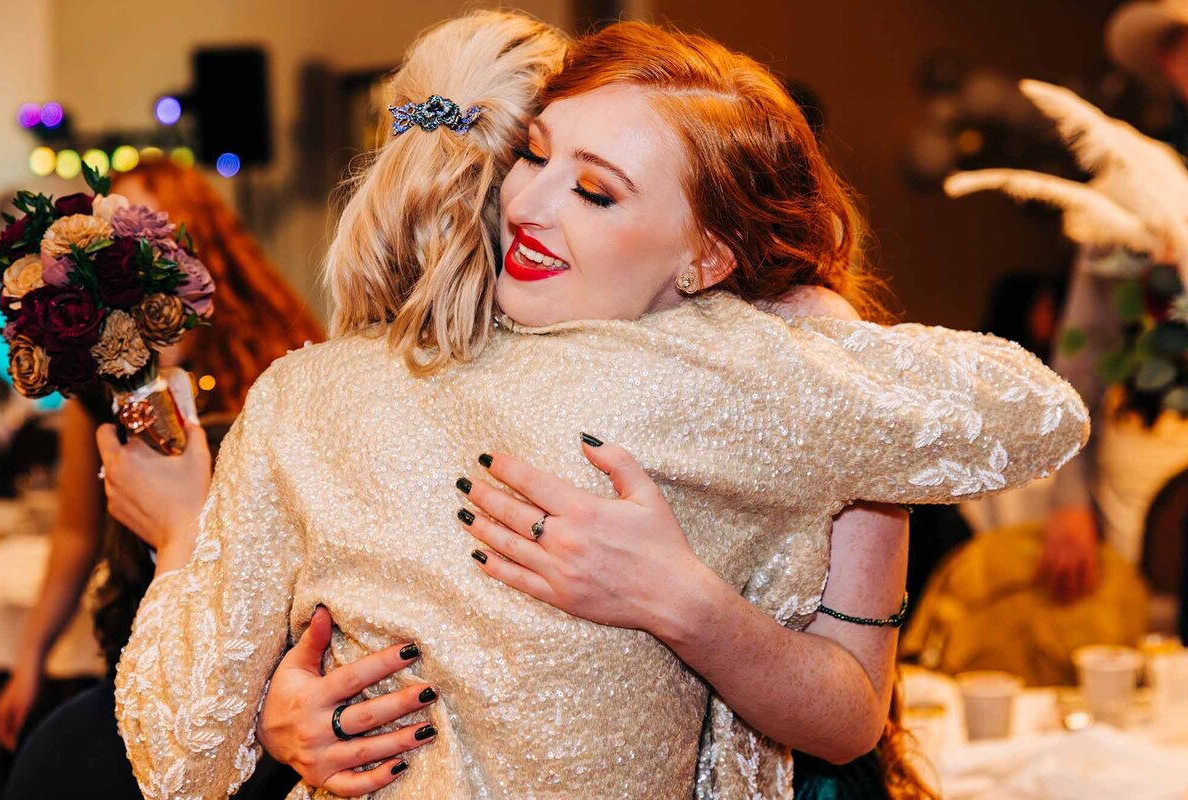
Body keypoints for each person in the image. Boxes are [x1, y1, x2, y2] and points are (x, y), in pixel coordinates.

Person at [115, 15, 1086, 800]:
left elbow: (847, 713)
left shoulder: (756, 382)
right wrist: (288, 714)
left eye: (596, 190)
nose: (530, 206)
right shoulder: (333, 393)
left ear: (710, 257)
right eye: (530, 158)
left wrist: (684, 594)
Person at [0, 158, 323, 798]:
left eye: (142, 243)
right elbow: (74, 532)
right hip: (142, 647)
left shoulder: (281, 377)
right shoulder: (98, 393)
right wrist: (30, 656)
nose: (123, 261)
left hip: (260, 669)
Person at [1038, 0, 1188, 603]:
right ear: (1168, 60)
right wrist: (1069, 495)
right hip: (1150, 482)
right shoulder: (1134, 186)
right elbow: (1084, 349)